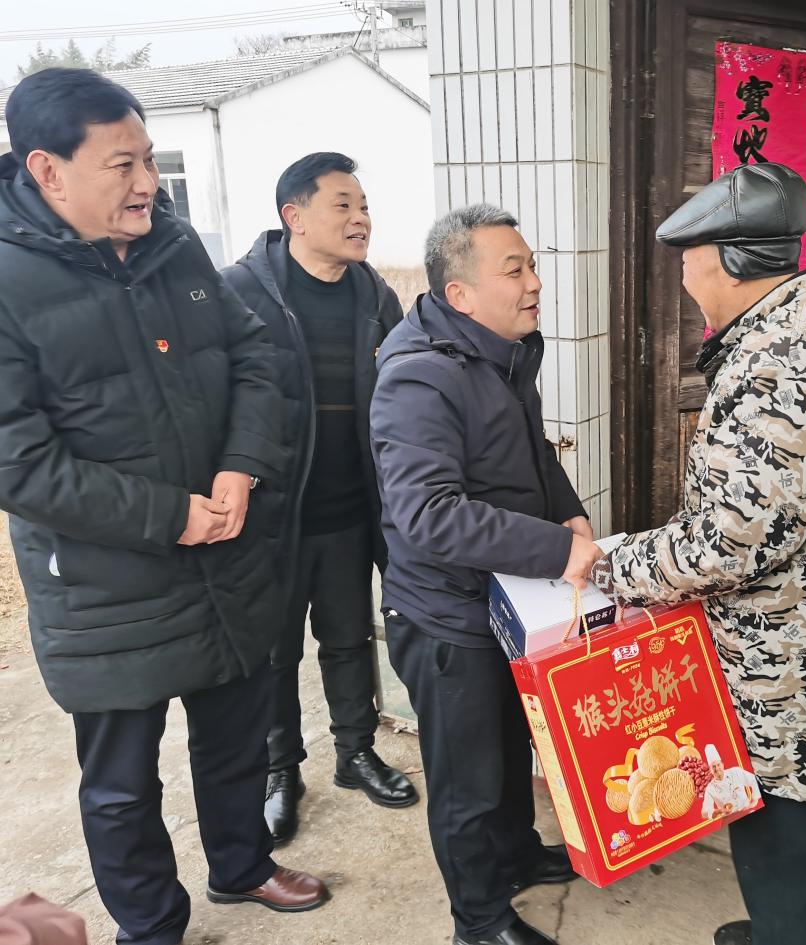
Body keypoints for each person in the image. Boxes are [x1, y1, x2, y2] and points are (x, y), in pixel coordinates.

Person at [0, 69, 329, 945]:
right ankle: (151, 927)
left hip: (225, 550)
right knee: (122, 783)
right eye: (123, 165)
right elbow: (18, 463)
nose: (148, 182)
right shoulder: (7, 281)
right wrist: (167, 514)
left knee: (236, 736)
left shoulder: (172, 244)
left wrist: (242, 468)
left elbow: (253, 357)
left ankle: (241, 864)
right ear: (47, 170)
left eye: (149, 159)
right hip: (107, 588)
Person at [587, 162, 806, 945]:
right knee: (796, 828)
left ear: (728, 261)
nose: (684, 273)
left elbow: (735, 540)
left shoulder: (777, 360)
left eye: (690, 256)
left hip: (792, 665)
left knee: (783, 835)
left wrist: (613, 565)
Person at [371, 204, 601, 945]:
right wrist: (554, 551)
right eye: (516, 270)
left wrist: (569, 514)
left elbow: (530, 453)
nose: (535, 283)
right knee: (467, 781)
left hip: (500, 601)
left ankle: (516, 855)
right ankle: (478, 921)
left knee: (507, 748)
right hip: (445, 616)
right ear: (460, 293)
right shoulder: (419, 378)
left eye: (532, 265)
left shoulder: (501, 349)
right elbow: (429, 514)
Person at [221, 152, 416, 845]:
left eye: (364, 206)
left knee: (348, 637)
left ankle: (355, 752)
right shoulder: (240, 291)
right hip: (273, 514)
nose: (361, 218)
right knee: (274, 651)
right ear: (294, 216)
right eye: (343, 205)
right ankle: (281, 770)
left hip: (351, 507)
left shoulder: (375, 296)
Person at [699, 745, 760, 820]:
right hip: (729, 819)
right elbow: (704, 813)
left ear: (723, 765)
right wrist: (720, 811)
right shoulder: (710, 788)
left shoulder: (736, 772)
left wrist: (754, 801)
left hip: (746, 811)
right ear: (710, 770)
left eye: (718, 765)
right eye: (713, 767)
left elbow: (754, 780)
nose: (717, 768)